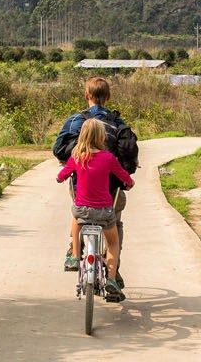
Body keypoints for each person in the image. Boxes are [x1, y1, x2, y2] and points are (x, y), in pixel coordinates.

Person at [52, 76, 138, 275]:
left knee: (78, 209)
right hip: (112, 190)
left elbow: (58, 149)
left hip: (80, 186)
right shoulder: (118, 122)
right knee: (115, 225)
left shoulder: (75, 120)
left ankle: (75, 251)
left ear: (86, 95)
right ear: (108, 97)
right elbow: (129, 156)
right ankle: (112, 272)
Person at [57, 117, 132, 300]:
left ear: (82, 135)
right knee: (113, 242)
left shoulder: (77, 156)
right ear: (102, 137)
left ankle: (75, 255)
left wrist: (61, 177)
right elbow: (124, 177)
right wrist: (129, 183)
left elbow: (61, 176)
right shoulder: (108, 158)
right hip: (104, 212)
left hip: (83, 210)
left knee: (76, 216)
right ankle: (112, 280)